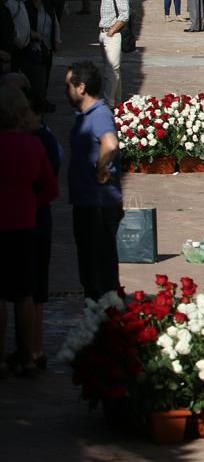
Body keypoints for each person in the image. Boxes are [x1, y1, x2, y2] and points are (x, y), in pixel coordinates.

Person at [2, 72, 61, 371]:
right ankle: (28, 353)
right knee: (25, 292)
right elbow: (50, 189)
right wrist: (28, 204)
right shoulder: (33, 146)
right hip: (25, 224)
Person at [65, 61, 122, 300]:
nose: (65, 91)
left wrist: (101, 169)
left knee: (100, 274)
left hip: (98, 203)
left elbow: (110, 144)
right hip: (87, 202)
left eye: (68, 85)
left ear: (81, 87)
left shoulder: (99, 114)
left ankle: (106, 320)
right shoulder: (85, 114)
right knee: (90, 270)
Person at [23, 0, 60, 112]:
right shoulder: (25, 6)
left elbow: (55, 23)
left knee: (46, 74)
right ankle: (34, 102)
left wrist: (56, 40)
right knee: (35, 76)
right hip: (31, 46)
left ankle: (42, 99)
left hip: (46, 46)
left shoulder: (48, 6)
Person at [97, 0, 129, 105]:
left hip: (113, 34)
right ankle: (116, 101)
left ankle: (108, 102)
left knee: (111, 71)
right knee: (112, 72)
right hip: (104, 33)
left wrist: (112, 31)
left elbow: (124, 15)